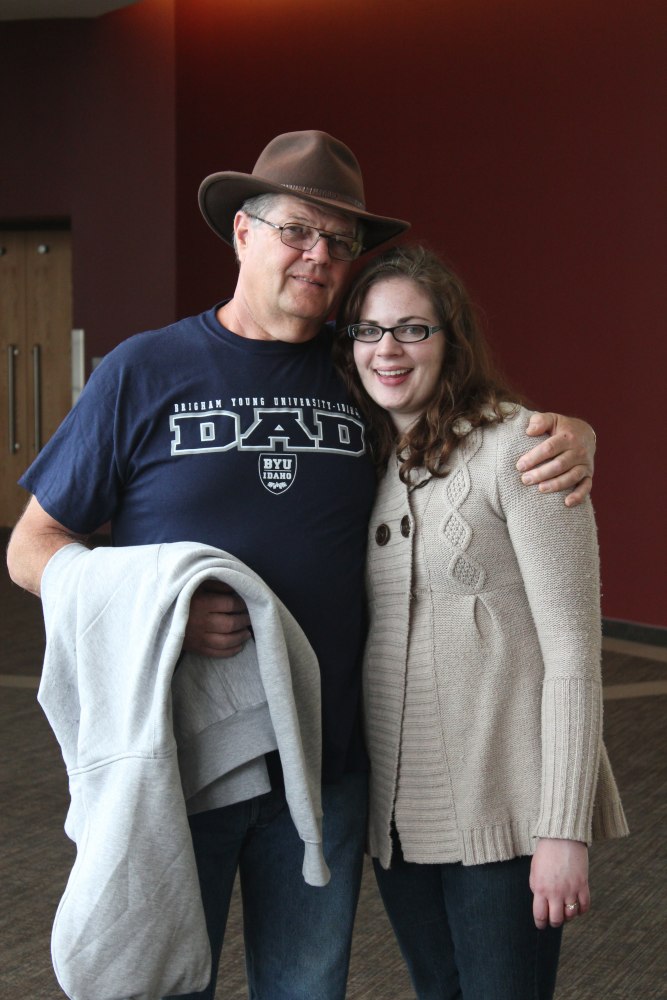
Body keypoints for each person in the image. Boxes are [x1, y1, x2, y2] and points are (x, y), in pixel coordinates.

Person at [7, 132, 597, 1000]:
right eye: (296, 230)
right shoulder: (144, 369)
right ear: (242, 233)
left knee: (305, 988)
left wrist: (572, 434)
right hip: (181, 761)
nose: (319, 255)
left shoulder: (359, 370)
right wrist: (156, 606)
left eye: (339, 240)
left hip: (326, 765)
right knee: (159, 984)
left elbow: (470, 424)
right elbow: (31, 547)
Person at [334, 244, 629, 1000]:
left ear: (451, 340)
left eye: (412, 329)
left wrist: (561, 829)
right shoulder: (365, 459)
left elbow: (573, 655)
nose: (387, 350)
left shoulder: (523, 449)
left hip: (508, 812)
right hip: (400, 821)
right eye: (368, 330)